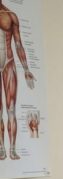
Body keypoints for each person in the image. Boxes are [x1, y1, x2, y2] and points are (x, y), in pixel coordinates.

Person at [0, 0, 35, 161]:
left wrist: (26, 69)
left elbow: (18, 44)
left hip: (9, 63)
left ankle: (12, 149)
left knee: (11, 110)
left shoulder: (11, 16)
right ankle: (1, 148)